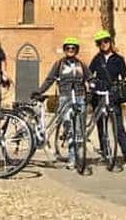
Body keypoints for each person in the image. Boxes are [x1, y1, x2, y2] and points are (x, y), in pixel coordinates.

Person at [32, 37, 89, 169]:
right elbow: (50, 79)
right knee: (69, 128)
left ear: (76, 50)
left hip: (80, 97)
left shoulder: (81, 65)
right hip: (65, 97)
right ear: (64, 50)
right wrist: (40, 91)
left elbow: (89, 77)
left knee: (79, 129)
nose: (70, 50)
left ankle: (79, 156)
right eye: (68, 48)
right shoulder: (59, 64)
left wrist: (91, 86)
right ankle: (71, 157)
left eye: (73, 48)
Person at [88, 30, 126, 169]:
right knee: (101, 127)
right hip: (99, 95)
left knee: (118, 127)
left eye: (106, 41)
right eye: (100, 42)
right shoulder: (97, 59)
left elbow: (125, 75)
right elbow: (89, 74)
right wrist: (89, 84)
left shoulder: (118, 59)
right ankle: (105, 154)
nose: (103, 44)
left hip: (112, 95)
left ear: (110, 42)